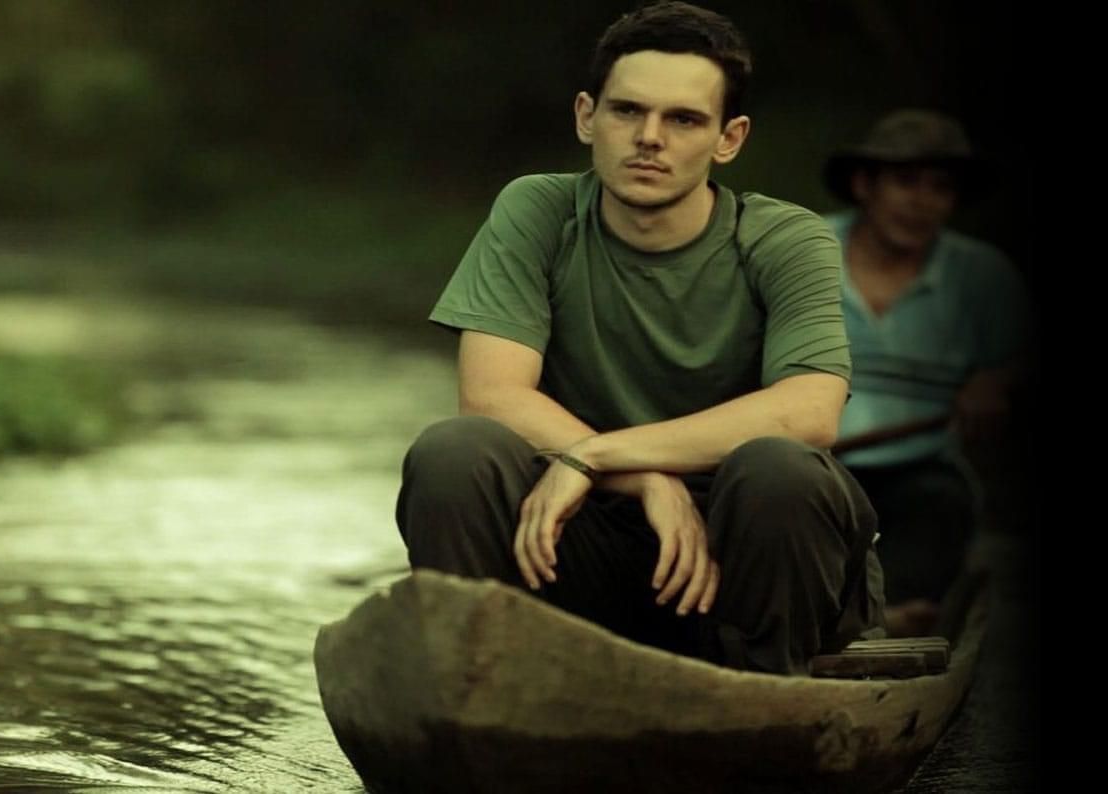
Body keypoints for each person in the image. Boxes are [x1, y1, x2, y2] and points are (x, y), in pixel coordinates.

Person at [395, 0, 884, 676]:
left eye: (683, 119)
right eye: (627, 111)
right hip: (581, 537)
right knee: (455, 453)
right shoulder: (539, 211)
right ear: (586, 117)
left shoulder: (785, 238)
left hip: (748, 558)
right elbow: (491, 397)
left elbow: (809, 412)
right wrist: (650, 480)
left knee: (781, 471)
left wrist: (596, 454)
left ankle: (767, 693)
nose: (649, 138)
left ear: (729, 139)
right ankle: (475, 681)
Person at [822, 109, 1030, 636]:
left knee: (941, 502)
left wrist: (996, 378)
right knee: (782, 500)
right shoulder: (807, 251)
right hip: (816, 458)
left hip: (922, 466)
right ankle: (832, 621)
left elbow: (1020, 357)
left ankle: (884, 622)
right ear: (864, 185)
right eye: (906, 181)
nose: (922, 201)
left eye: (940, 187)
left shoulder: (982, 276)